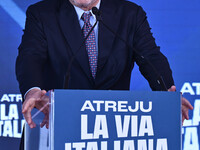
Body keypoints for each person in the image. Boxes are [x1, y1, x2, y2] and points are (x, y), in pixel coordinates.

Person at [16, 0, 193, 147]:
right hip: (56, 123)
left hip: (110, 130)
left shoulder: (130, 13)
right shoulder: (41, 13)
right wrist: (32, 89)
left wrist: (167, 94)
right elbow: (30, 56)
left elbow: (151, 57)